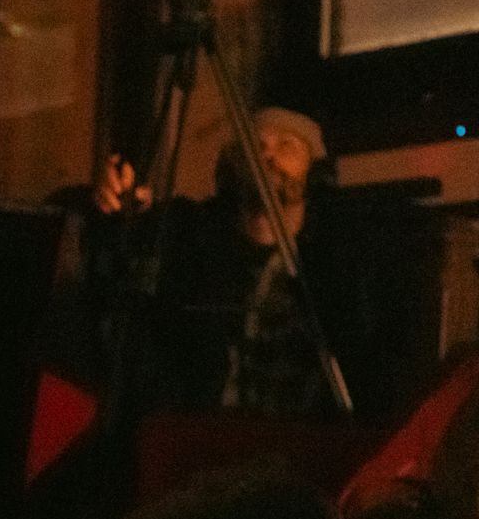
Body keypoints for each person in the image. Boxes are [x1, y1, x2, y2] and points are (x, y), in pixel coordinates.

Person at [82, 107, 375, 419]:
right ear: (233, 164)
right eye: (255, 145)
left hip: (303, 439)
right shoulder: (194, 232)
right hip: (205, 433)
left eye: (287, 146)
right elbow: (124, 241)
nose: (268, 157)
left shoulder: (335, 254)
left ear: (314, 168)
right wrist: (117, 199)